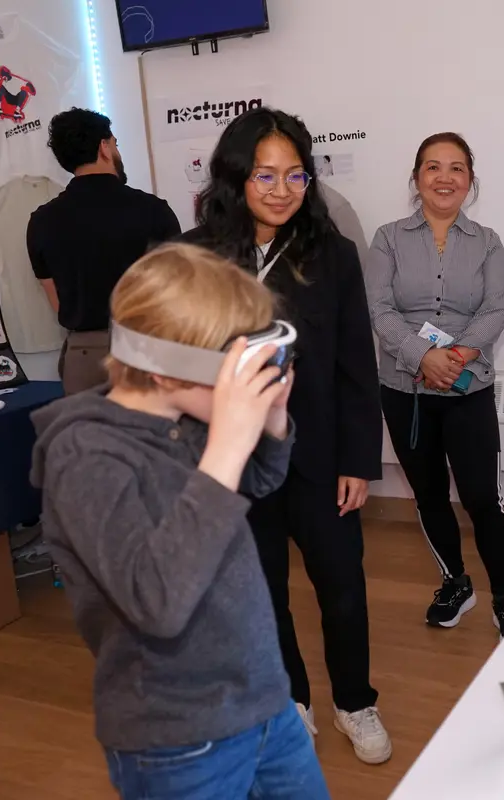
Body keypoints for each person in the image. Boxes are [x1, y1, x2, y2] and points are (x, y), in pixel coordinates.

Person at [30, 243, 331, 800]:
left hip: (266, 703)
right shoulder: (87, 459)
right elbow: (157, 602)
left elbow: (257, 483)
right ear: (167, 372)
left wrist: (270, 421)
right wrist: (225, 445)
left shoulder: (185, 417)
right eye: (238, 367)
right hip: (179, 740)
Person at [180, 108, 389, 764]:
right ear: (236, 177)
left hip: (322, 458)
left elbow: (359, 365)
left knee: (343, 590)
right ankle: (292, 697)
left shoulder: (334, 255)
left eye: (294, 174)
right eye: (264, 174)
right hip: (239, 459)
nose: (280, 188)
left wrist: (359, 458)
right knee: (262, 591)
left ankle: (355, 702)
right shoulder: (197, 256)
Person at [365, 132, 504, 637]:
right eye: (433, 167)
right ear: (416, 178)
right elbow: (379, 308)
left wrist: (453, 358)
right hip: (404, 390)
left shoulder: (488, 241)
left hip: (467, 388)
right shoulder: (388, 238)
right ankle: (456, 582)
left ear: (470, 180)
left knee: (482, 497)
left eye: (456, 168)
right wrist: (421, 356)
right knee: (429, 495)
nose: (444, 177)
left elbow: (496, 306)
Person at [28, 107, 182, 394]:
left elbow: (57, 301)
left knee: (86, 438)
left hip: (84, 356)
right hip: (146, 350)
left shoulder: (42, 221)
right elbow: (178, 290)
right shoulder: (153, 211)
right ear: (104, 147)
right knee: (150, 437)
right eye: (115, 143)